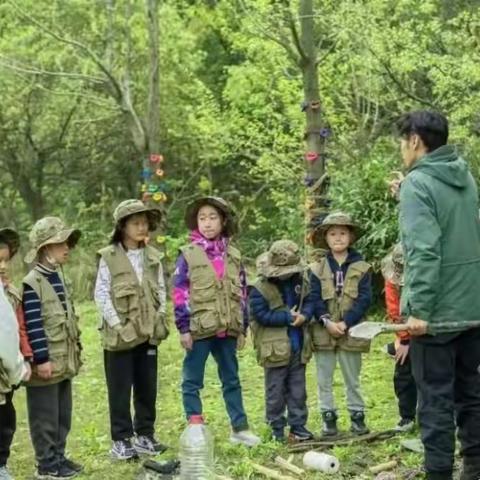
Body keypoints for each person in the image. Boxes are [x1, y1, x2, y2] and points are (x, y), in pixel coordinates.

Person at [396, 110, 480, 480]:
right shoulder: (464, 176)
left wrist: (420, 309)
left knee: (434, 400)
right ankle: (475, 467)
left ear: (415, 140)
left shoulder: (418, 185)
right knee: (471, 393)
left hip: (437, 316)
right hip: (472, 306)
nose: (402, 149)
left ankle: (439, 473)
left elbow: (425, 251)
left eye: (402, 142)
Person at [172, 196, 260, 447]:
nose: (208, 223)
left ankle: (240, 428)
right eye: (202, 218)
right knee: (192, 379)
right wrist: (183, 328)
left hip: (228, 329)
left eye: (213, 218)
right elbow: (180, 293)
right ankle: (195, 427)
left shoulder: (233, 255)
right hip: (199, 329)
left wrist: (242, 327)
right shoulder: (188, 254)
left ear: (223, 221)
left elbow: (242, 291)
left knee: (232, 379)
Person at [94, 199, 168, 460]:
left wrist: (159, 318)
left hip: (148, 333)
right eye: (135, 222)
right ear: (122, 226)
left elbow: (160, 289)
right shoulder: (109, 256)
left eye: (145, 222)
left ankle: (145, 435)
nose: (141, 226)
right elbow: (101, 294)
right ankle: (121, 439)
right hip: (120, 335)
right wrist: (118, 325)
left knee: (147, 385)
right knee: (120, 387)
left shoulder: (152, 256)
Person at [22, 217, 83, 479]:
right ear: (45, 249)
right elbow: (34, 325)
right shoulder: (32, 282)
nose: (67, 247)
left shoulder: (58, 277)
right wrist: (41, 359)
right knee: (44, 417)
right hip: (46, 363)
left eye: (68, 242)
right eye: (61, 243)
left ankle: (59, 457)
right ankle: (46, 464)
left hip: (64, 360)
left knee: (62, 414)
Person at [308, 212, 372, 437]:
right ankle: (328, 418)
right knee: (324, 378)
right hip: (323, 330)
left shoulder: (363, 267)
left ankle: (357, 416)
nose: (338, 238)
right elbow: (313, 297)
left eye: (343, 233)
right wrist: (326, 321)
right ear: (325, 238)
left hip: (351, 330)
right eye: (333, 234)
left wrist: (346, 322)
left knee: (352, 378)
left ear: (351, 236)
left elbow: (365, 298)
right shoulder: (316, 268)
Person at [249, 240, 316, 443]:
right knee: (275, 390)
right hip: (274, 349)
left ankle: (298, 426)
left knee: (298, 390)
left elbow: (310, 300)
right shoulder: (259, 288)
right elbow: (260, 315)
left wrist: (304, 315)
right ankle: (276, 428)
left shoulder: (301, 280)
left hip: (298, 346)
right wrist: (287, 317)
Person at [0, 228, 31, 480]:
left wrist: (24, 358)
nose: (2, 266)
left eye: (5, 260)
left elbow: (17, 330)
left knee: (6, 416)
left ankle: (1, 463)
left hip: (5, 369)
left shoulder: (10, 293)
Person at [381, 243, 417, 432]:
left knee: (437, 375)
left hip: (433, 329)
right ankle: (407, 417)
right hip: (405, 330)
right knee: (404, 374)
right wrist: (403, 339)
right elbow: (394, 309)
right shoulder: (392, 279)